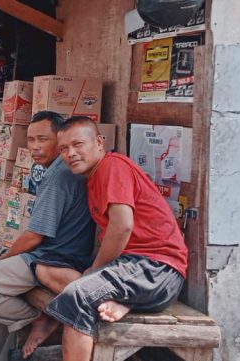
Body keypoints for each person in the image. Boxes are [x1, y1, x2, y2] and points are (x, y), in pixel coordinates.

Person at [45, 116, 188, 361]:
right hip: (138, 270)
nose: (71, 153)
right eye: (63, 149)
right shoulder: (94, 177)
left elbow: (121, 226)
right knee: (49, 271)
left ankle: (115, 298)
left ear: (99, 142)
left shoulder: (112, 166)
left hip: (157, 269)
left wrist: (95, 271)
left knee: (77, 296)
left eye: (78, 144)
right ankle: (121, 300)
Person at [0, 112, 95, 360]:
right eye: (30, 140)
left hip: (53, 259)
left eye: (42, 139)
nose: (34, 146)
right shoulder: (57, 170)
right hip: (48, 256)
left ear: (60, 140)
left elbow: (34, 236)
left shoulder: (60, 175)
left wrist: (2, 260)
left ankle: (38, 318)